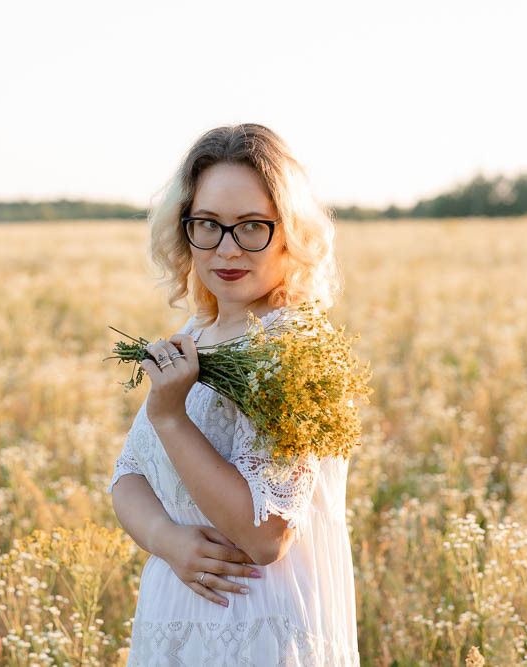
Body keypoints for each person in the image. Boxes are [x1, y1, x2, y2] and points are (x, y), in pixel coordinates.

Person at [108, 123, 359, 666]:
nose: (227, 248)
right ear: (185, 229)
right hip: (174, 617)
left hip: (258, 629)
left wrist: (172, 418)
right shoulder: (195, 336)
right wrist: (166, 541)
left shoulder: (295, 349)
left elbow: (265, 536)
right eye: (209, 225)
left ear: (289, 232)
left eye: (251, 227)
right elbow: (128, 476)